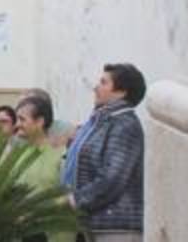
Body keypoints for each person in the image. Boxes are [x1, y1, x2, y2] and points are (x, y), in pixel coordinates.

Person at [63, 63, 146, 242]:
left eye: (103, 82)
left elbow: (113, 178)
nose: (95, 87)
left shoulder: (125, 125)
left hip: (115, 228)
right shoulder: (101, 121)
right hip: (93, 223)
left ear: (121, 92)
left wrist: (75, 200)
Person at [14, 96, 75, 242]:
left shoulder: (63, 154)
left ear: (40, 122)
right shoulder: (17, 155)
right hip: (22, 233)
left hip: (55, 235)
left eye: (22, 119)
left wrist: (35, 212)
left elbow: (72, 195)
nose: (17, 124)